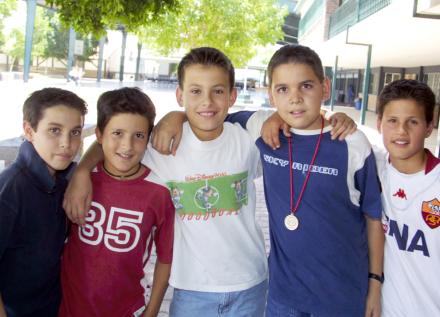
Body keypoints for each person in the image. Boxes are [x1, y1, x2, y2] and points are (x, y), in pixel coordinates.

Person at [64, 47, 270, 317]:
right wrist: (81, 171)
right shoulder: (161, 146)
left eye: (217, 91)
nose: (206, 101)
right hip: (191, 289)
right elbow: (113, 142)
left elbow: (289, 121)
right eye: (195, 91)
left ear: (232, 96)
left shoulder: (247, 139)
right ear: (180, 96)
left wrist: (336, 122)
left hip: (250, 283)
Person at [224, 45, 384, 316]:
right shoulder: (262, 128)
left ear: (325, 87)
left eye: (306, 86)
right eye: (283, 89)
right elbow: (209, 117)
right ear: (271, 95)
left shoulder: (351, 143)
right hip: (283, 297)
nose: (295, 99)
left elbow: (373, 218)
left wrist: (375, 284)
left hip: (341, 296)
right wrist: (173, 117)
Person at [59, 87, 174, 317]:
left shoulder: (159, 193)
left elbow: (165, 258)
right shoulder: (81, 183)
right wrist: (81, 172)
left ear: (148, 138)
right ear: (100, 135)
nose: (127, 146)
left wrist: (152, 310)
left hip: (125, 309)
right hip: (69, 308)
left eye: (138, 136)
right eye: (117, 133)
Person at [0, 88, 87, 317]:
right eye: (54, 130)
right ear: (29, 131)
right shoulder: (10, 190)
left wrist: (82, 172)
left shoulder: (66, 179)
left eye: (75, 132)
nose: (66, 143)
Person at [374, 79, 440, 316]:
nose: (401, 131)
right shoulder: (371, 168)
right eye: (392, 121)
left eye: (413, 122)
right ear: (379, 123)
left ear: (429, 126)